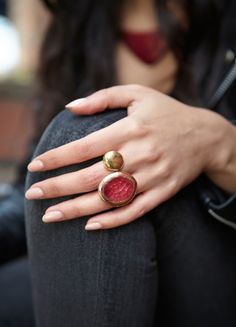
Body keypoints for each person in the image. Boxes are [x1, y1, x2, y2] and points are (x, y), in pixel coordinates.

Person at [8, 0, 236, 325]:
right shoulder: (77, 25)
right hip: (93, 261)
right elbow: (36, 185)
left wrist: (220, 142)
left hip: (216, 254)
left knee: (81, 133)